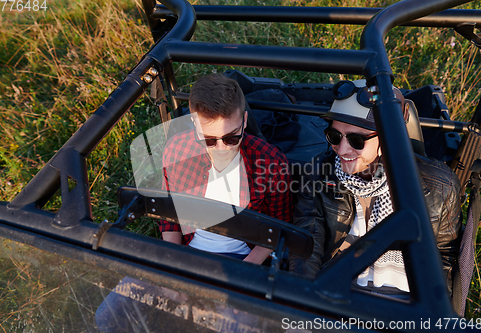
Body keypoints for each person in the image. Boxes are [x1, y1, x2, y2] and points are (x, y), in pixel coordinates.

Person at [290, 79, 461, 299]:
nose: (342, 149)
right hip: (338, 287)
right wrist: (303, 298)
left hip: (407, 298)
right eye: (334, 136)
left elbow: (444, 256)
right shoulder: (318, 173)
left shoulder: (441, 186)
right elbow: (307, 243)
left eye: (356, 140)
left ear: (389, 136)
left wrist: (431, 312)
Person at [159, 74, 293, 264]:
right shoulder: (177, 150)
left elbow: (279, 227)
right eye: (210, 140)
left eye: (231, 138)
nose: (222, 149)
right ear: (195, 125)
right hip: (186, 252)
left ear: (244, 121)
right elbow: (170, 214)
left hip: (242, 259)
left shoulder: (270, 162)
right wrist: (171, 261)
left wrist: (244, 272)